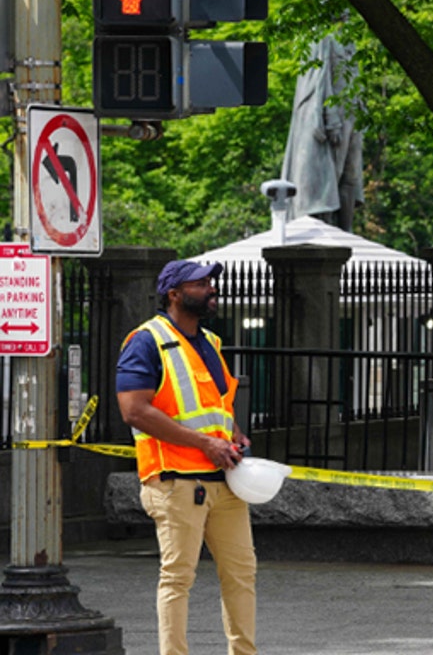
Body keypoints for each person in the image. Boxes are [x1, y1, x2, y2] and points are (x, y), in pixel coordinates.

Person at [115, 259, 257, 655]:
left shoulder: (210, 342)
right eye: (201, 284)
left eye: (211, 282)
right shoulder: (145, 340)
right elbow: (134, 410)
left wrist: (234, 436)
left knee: (242, 575)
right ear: (174, 294)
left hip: (225, 479)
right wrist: (204, 443)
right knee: (178, 578)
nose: (212, 289)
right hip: (175, 479)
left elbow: (219, 408)